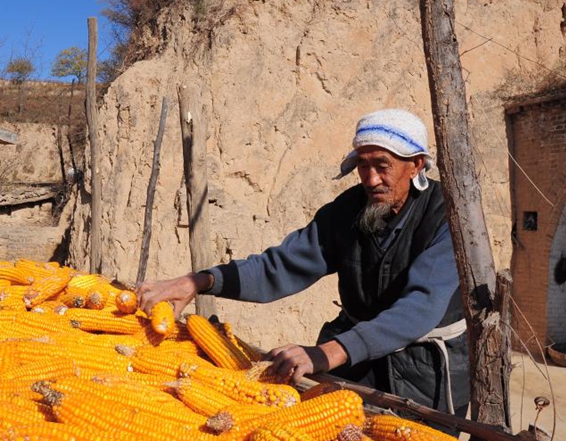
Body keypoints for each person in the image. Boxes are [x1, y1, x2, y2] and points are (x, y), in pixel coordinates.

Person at [137, 108, 469, 425]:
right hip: (355, 363)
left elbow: (420, 307)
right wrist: (200, 281)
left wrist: (327, 353)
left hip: (424, 375)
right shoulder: (348, 210)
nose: (370, 179)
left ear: (416, 165)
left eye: (382, 166)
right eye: (363, 166)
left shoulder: (446, 217)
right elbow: (279, 267)